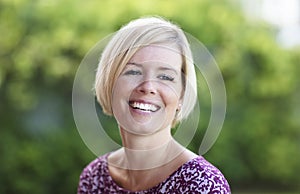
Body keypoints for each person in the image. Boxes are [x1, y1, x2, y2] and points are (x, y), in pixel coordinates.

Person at [77, 16, 231, 193]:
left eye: (165, 77)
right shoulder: (93, 178)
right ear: (109, 82)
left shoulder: (202, 184)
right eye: (133, 71)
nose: (148, 87)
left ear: (181, 94)